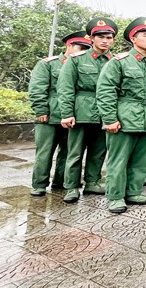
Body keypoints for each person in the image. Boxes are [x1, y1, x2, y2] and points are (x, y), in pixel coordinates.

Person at [96, 17, 146, 214]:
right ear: (133, 39)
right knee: (119, 160)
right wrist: (109, 119)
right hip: (125, 116)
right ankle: (116, 196)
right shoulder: (119, 62)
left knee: (141, 159)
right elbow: (106, 91)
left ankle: (134, 191)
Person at [58, 17, 118, 204]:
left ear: (113, 40)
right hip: (81, 110)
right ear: (91, 39)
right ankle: (71, 187)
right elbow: (66, 87)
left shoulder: (115, 61)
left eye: (108, 37)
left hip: (105, 112)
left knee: (99, 150)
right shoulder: (77, 59)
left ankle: (92, 181)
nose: (104, 41)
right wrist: (67, 113)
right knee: (75, 152)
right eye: (100, 37)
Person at [28, 30, 92, 196]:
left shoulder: (82, 64)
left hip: (71, 116)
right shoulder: (49, 64)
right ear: (69, 46)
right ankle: (39, 184)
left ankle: (61, 181)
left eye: (87, 48)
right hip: (50, 116)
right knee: (45, 152)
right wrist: (41, 109)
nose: (83, 51)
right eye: (81, 47)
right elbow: (37, 89)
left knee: (68, 152)